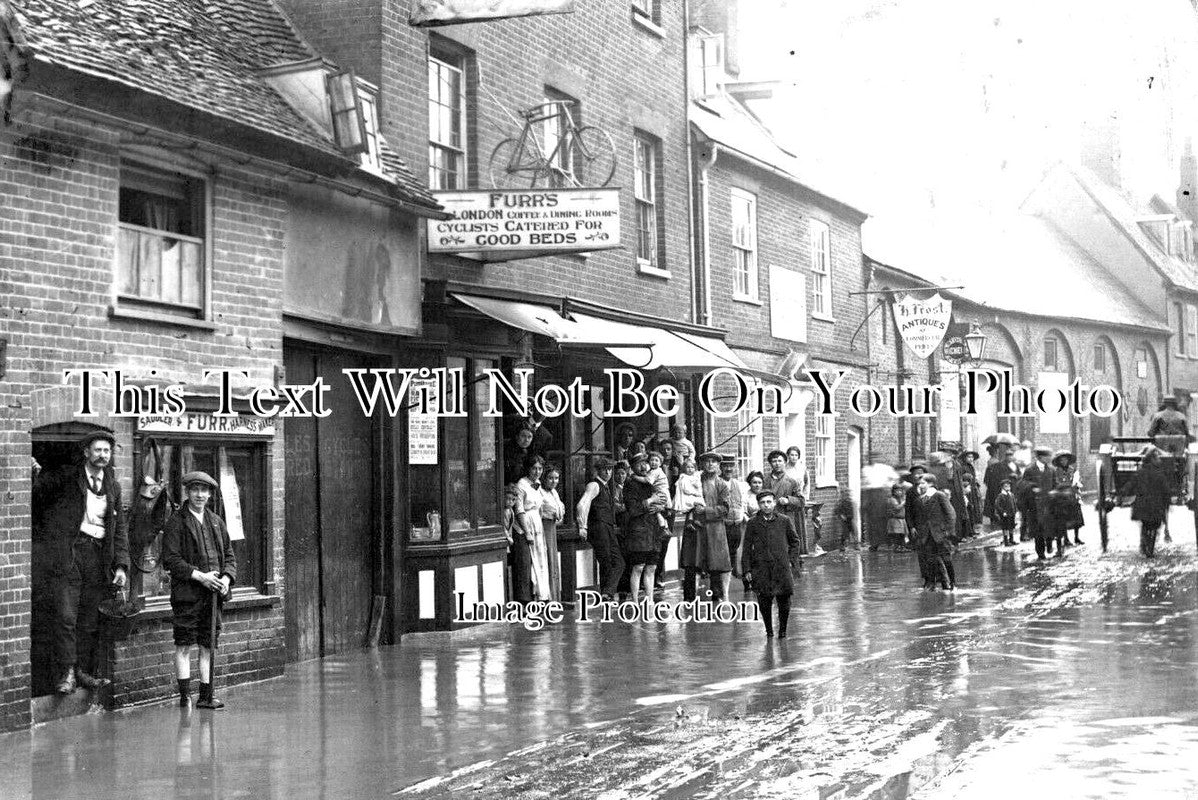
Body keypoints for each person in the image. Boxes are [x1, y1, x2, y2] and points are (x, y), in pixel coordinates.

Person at [33, 430, 130, 695]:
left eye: (107, 451)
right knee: (65, 616)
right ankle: (65, 672)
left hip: (98, 559)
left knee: (89, 619)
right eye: (97, 450)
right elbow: (40, 493)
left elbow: (119, 528)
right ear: (86, 452)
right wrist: (33, 471)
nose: (102, 456)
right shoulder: (68, 477)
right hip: (70, 555)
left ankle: (82, 672)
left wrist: (120, 565)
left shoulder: (113, 486)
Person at [162, 471, 235, 709]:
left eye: (204, 491)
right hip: (187, 595)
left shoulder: (216, 521)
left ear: (210, 494)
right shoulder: (176, 521)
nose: (200, 495)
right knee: (183, 645)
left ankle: (206, 695)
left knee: (207, 645)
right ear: (188, 492)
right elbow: (171, 559)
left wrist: (225, 578)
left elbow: (231, 557)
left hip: (213, 597)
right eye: (195, 490)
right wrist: (200, 576)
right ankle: (185, 697)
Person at [743, 490, 800, 638]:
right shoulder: (753, 523)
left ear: (774, 503)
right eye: (762, 503)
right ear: (759, 505)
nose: (766, 505)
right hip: (761, 569)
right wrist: (747, 569)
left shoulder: (784, 520)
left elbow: (795, 542)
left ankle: (783, 631)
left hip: (781, 567)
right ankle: (769, 631)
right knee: (764, 602)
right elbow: (747, 548)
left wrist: (790, 560)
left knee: (784, 601)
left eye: (769, 502)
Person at [680, 452, 732, 602]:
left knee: (715, 565)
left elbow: (725, 509)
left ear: (718, 465)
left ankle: (717, 599)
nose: (710, 464)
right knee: (691, 564)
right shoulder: (694, 480)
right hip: (695, 528)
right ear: (701, 464)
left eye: (713, 462)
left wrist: (706, 510)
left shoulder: (721, 484)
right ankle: (689, 600)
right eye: (707, 461)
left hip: (714, 529)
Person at [576, 458, 624, 601]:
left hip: (607, 527)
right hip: (599, 527)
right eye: (604, 469)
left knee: (617, 562)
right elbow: (582, 504)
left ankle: (606, 592)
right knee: (607, 561)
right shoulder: (594, 485)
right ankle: (606, 593)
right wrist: (582, 526)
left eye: (610, 469)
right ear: (598, 470)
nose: (608, 472)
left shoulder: (606, 486)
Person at [622, 453, 667, 603]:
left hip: (653, 531)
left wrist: (659, 505)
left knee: (652, 568)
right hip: (639, 531)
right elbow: (633, 510)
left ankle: (650, 600)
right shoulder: (630, 484)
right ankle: (635, 600)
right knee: (638, 567)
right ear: (633, 466)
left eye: (645, 463)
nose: (643, 466)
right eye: (639, 463)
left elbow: (663, 500)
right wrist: (650, 501)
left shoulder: (650, 481)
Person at [517, 456, 552, 602]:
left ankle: (541, 596)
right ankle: (526, 601)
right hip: (525, 525)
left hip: (537, 524)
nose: (537, 472)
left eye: (540, 469)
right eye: (534, 468)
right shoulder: (522, 484)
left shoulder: (537, 483)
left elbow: (540, 506)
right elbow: (519, 510)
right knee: (527, 563)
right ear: (528, 469)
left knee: (540, 559)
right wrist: (527, 532)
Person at [915, 475, 956, 590]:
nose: (920, 486)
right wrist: (920, 532)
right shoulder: (920, 499)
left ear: (931, 484)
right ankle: (932, 583)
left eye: (923, 483)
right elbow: (920, 519)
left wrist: (948, 531)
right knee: (931, 560)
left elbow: (951, 514)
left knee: (946, 558)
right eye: (919, 484)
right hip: (927, 535)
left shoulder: (939, 496)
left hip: (941, 534)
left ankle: (952, 583)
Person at [763, 450, 808, 555]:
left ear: (784, 463)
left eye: (780, 461)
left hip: (785, 520)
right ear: (770, 464)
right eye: (774, 461)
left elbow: (801, 501)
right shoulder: (765, 481)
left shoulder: (792, 482)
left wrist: (788, 500)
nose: (777, 463)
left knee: (785, 549)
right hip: (767, 520)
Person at [1131, 447, 1171, 558]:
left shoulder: (1140, 472)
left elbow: (1131, 485)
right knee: (1154, 525)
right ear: (1152, 459)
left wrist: (1121, 493)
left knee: (1145, 524)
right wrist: (1167, 501)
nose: (1159, 459)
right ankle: (1150, 549)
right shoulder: (1160, 474)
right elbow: (1166, 490)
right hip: (1155, 506)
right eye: (1157, 457)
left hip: (1142, 506)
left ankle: (1143, 544)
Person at [1018, 446, 1056, 560]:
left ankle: (1049, 544)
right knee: (1038, 530)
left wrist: (1054, 492)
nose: (1049, 458)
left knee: (1049, 527)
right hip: (1035, 505)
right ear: (1040, 457)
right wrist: (1032, 488)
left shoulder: (1051, 470)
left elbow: (1055, 484)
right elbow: (1023, 485)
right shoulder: (1030, 470)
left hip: (1048, 504)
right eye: (1047, 456)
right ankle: (1040, 553)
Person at [721, 457, 750, 585]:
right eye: (725, 466)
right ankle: (724, 579)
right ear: (721, 468)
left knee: (734, 550)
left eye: (731, 466)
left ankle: (733, 577)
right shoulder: (718, 482)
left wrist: (743, 516)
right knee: (723, 552)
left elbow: (742, 502)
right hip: (722, 524)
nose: (728, 469)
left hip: (736, 523)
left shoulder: (738, 484)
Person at [539, 465, 566, 601]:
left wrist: (558, 513)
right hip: (543, 528)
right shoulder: (540, 492)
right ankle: (547, 598)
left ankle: (554, 597)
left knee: (553, 559)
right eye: (550, 478)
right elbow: (548, 510)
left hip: (552, 527)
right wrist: (556, 513)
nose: (554, 481)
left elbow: (561, 511)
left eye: (556, 478)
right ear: (544, 478)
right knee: (546, 558)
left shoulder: (554, 493)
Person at [862, 453, 899, 551]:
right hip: (870, 495)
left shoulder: (885, 468)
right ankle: (874, 543)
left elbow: (895, 478)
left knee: (883, 519)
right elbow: (863, 483)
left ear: (879, 458)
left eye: (875, 457)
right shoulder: (866, 469)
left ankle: (887, 542)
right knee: (871, 520)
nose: (873, 459)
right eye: (871, 458)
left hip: (882, 493)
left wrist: (888, 487)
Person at [958, 450, 983, 532]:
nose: (971, 459)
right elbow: (961, 478)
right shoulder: (963, 467)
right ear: (965, 458)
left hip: (972, 489)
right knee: (969, 508)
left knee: (974, 508)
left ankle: (973, 527)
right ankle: (969, 529)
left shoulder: (971, 467)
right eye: (969, 457)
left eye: (972, 457)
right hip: (967, 490)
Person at [994, 479, 1017, 547]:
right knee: (1005, 527)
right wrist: (1003, 512)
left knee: (1011, 527)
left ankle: (1011, 539)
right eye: (1006, 486)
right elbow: (997, 505)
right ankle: (1006, 541)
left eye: (1009, 486)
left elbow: (1014, 503)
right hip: (1005, 515)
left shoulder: (1011, 494)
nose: (1008, 487)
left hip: (1012, 514)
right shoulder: (1001, 495)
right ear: (1003, 487)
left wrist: (1015, 510)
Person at [885, 484, 909, 549]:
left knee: (902, 535)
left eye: (900, 491)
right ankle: (897, 547)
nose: (899, 492)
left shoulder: (902, 498)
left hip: (902, 519)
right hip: (895, 520)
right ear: (893, 492)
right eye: (897, 491)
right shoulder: (892, 499)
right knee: (897, 534)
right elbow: (897, 507)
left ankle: (901, 547)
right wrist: (904, 503)